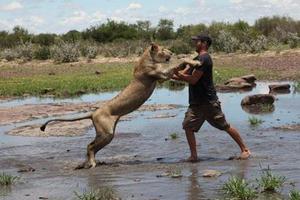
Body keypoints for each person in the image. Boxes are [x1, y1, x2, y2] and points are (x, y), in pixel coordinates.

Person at [172, 34, 251, 162]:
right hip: (196, 102)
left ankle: (245, 149)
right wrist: (166, 75)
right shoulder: (195, 59)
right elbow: (182, 75)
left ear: (204, 43)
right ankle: (193, 156)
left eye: (197, 41)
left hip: (208, 101)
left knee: (224, 126)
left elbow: (193, 80)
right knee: (188, 126)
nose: (194, 43)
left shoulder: (205, 59)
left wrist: (177, 74)